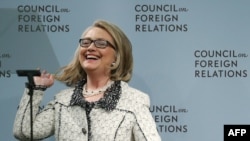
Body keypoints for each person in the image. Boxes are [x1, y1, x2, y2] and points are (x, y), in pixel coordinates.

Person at [13, 20, 161, 141]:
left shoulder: (133, 102)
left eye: (101, 43)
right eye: (86, 42)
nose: (90, 47)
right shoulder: (63, 101)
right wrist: (35, 89)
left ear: (117, 56)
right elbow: (24, 132)